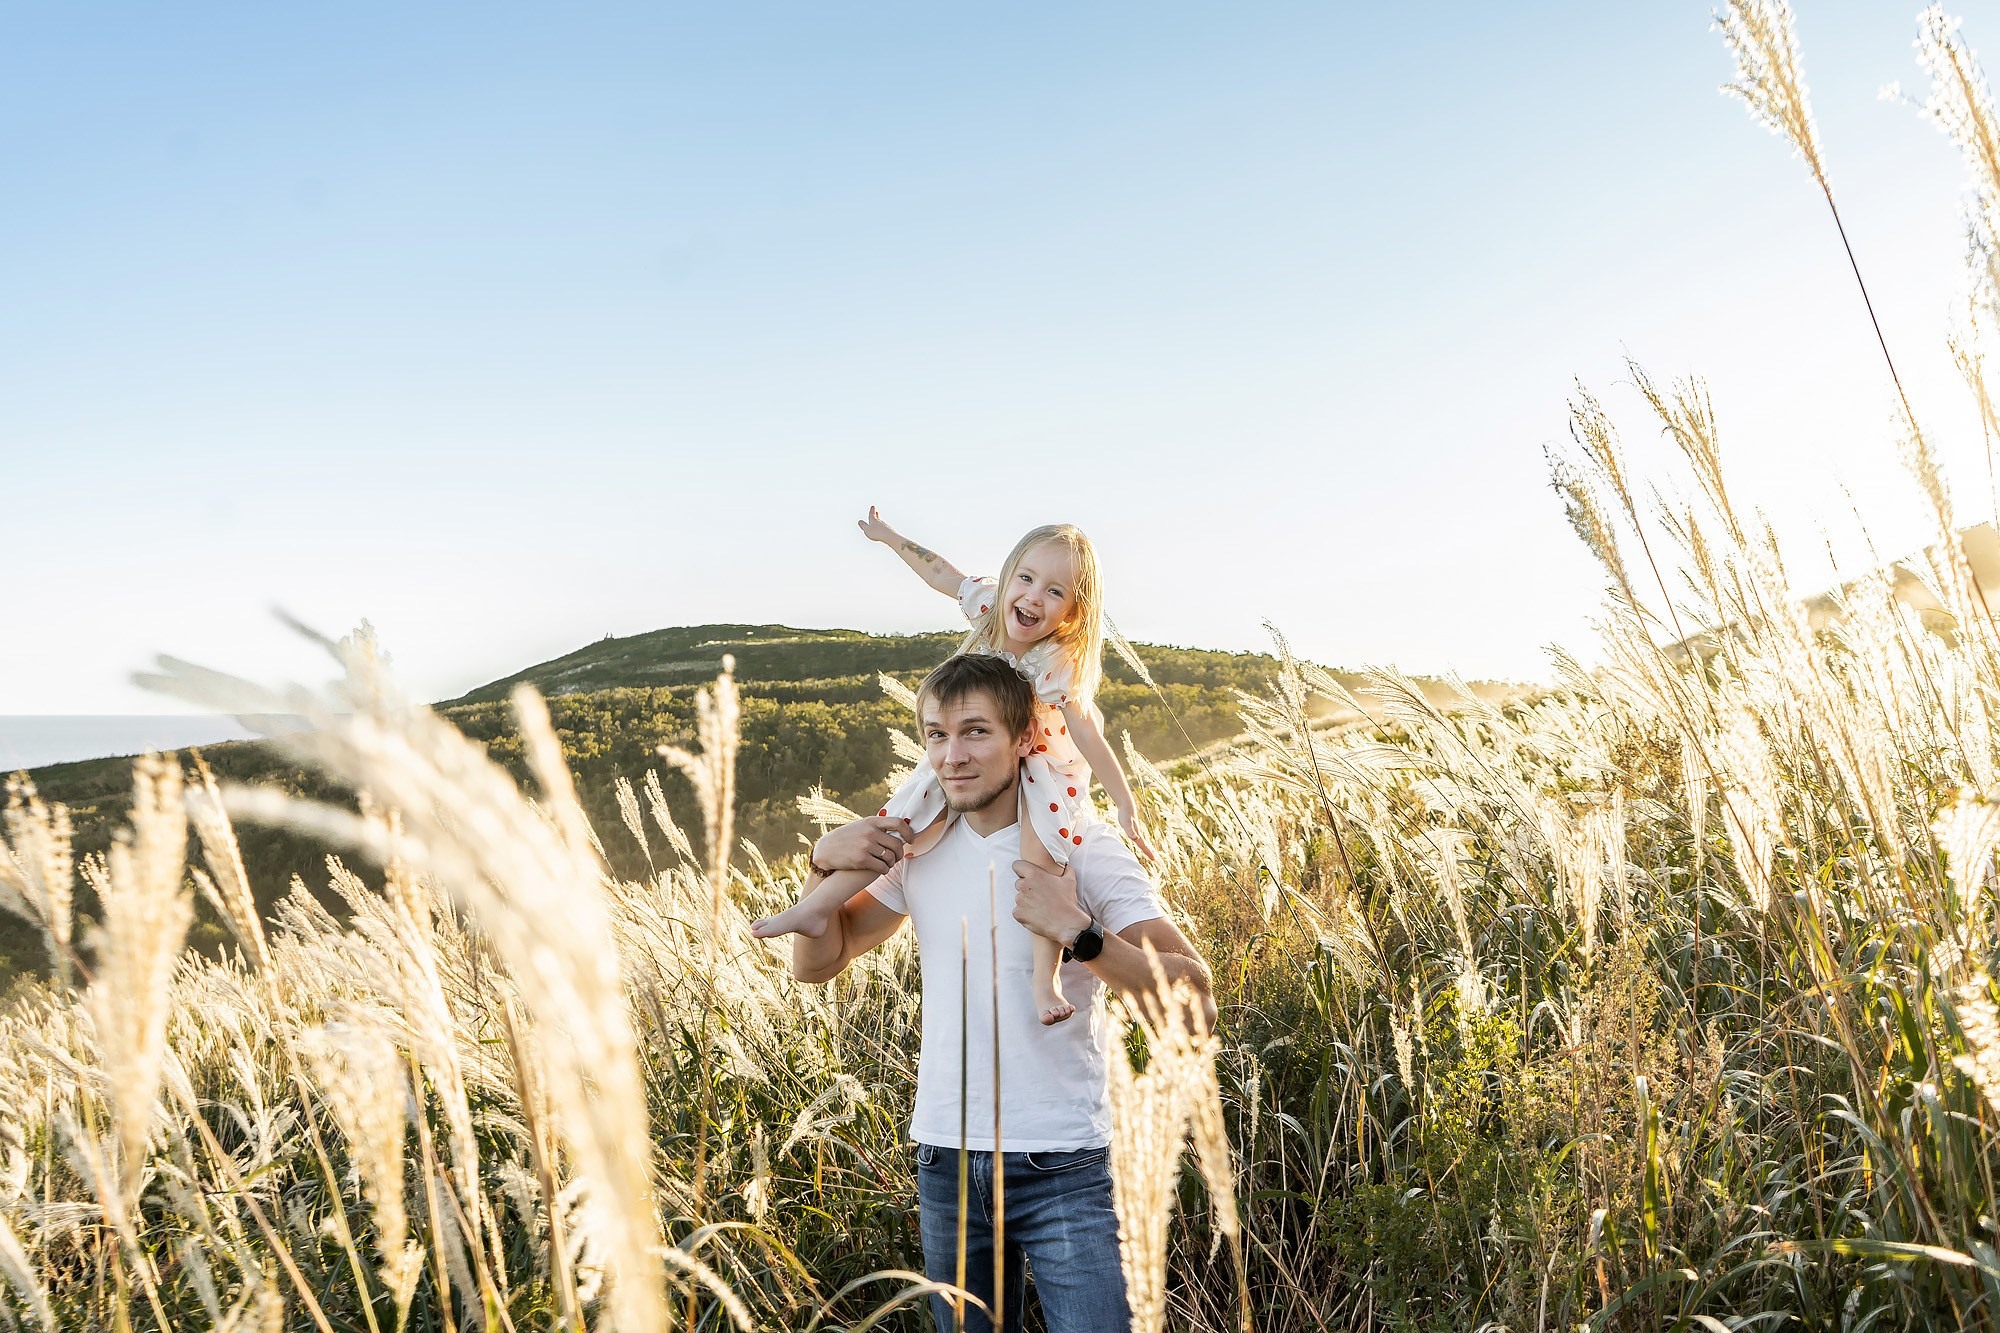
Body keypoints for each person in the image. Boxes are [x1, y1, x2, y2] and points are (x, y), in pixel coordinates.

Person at [788, 652, 1215, 1333]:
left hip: (1066, 1166)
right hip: (945, 1164)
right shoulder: (917, 848)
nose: (951, 755)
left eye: (976, 732)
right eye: (935, 734)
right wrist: (820, 863)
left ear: (1024, 741)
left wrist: (1082, 932)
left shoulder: (1083, 845)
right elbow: (816, 962)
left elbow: (1195, 1002)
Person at [752, 510, 1156, 1026]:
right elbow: (941, 572)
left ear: (1073, 612)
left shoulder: (1057, 661)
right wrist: (891, 538)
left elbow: (1086, 735)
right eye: (1027, 579)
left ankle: (1043, 978)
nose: (1033, 597)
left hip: (1044, 768)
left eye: (1055, 592)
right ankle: (817, 904)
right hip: (988, 768)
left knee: (1040, 862)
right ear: (1008, 578)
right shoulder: (988, 608)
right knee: (900, 820)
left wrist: (1124, 800)